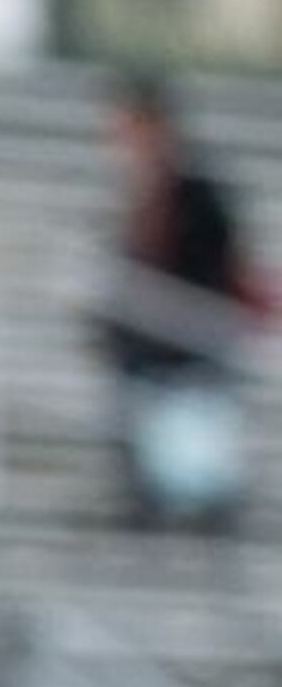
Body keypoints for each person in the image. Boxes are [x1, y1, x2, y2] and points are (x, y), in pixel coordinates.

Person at [100, 73, 266, 532]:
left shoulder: (195, 194)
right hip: (148, 357)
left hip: (189, 352)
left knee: (199, 457)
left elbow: (218, 269)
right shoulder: (134, 196)